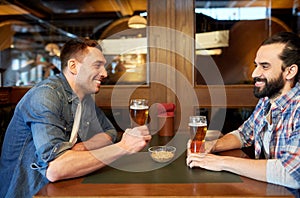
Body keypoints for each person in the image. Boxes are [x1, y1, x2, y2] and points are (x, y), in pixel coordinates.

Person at [0, 38, 151, 197]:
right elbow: (55, 169)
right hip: (29, 192)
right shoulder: (45, 96)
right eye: (97, 65)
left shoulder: (83, 97)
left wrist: (82, 147)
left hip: (62, 187)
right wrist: (124, 147)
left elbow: (109, 132)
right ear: (73, 66)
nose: (105, 73)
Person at [187, 31, 300, 191]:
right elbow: (244, 134)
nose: (254, 73)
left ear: (290, 71)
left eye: (264, 66)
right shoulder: (267, 100)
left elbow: (292, 174)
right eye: (256, 65)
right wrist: (212, 146)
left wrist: (220, 163)